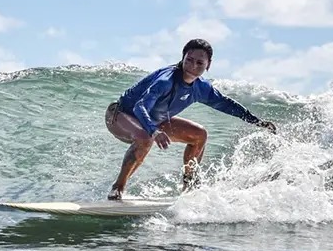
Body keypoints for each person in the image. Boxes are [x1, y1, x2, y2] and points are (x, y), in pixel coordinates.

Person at [104, 39, 277, 200]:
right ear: (183, 58)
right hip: (120, 115)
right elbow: (139, 107)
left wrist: (257, 121)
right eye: (189, 60)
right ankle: (118, 187)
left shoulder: (201, 88)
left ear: (208, 65)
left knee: (199, 134)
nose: (193, 66)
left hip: (155, 121)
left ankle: (189, 188)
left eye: (200, 63)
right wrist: (154, 131)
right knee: (145, 137)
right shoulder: (166, 81)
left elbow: (227, 104)